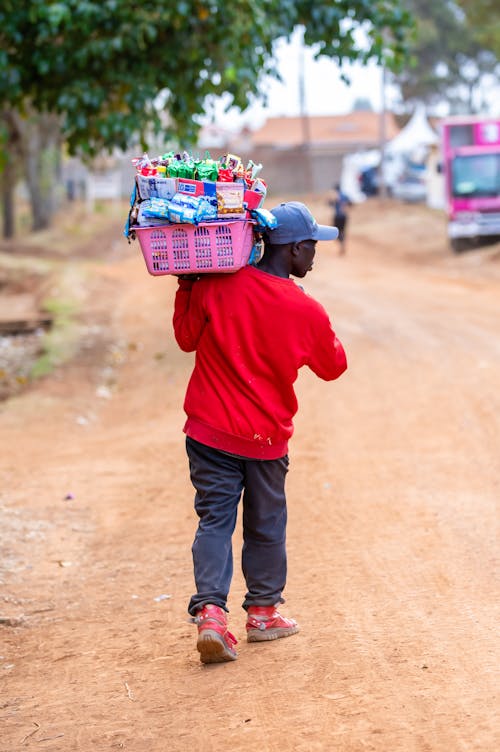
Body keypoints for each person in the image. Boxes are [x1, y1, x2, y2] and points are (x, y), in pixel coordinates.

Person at [173, 201, 348, 664]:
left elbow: (186, 338)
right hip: (267, 439)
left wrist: (187, 284)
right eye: (312, 246)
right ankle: (264, 614)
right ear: (292, 250)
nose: (315, 255)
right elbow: (334, 367)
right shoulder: (305, 309)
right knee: (266, 525)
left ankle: (211, 614)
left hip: (209, 430)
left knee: (215, 519)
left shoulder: (217, 284)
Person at [329, 184, 353, 256]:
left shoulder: (335, 196)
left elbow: (329, 204)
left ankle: (341, 243)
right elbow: (351, 204)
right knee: (342, 231)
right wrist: (346, 208)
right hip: (344, 216)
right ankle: (342, 243)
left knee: (335, 232)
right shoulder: (345, 196)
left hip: (337, 216)